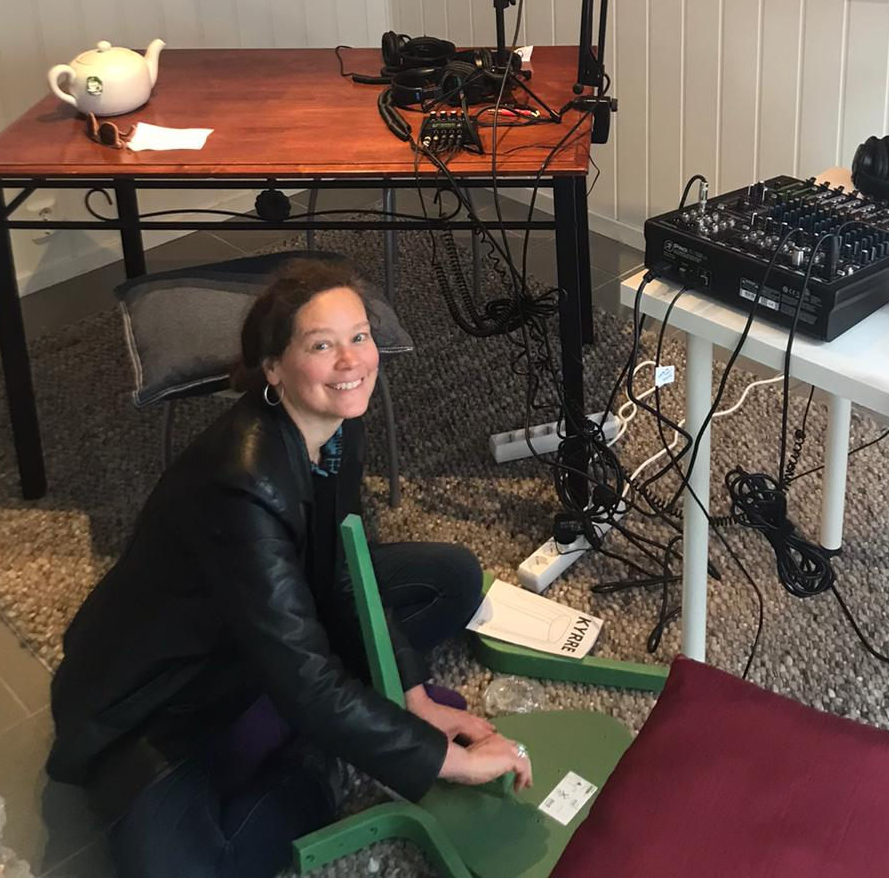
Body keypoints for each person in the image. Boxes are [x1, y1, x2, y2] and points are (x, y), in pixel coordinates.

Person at [47, 255, 531, 877]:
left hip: (269, 627)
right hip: (165, 699)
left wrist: (413, 697)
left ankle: (333, 721)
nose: (352, 361)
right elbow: (302, 675)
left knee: (453, 579)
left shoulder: (336, 421)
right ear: (273, 366)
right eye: (322, 345)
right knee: (187, 868)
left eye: (360, 336)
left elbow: (347, 569)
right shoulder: (240, 484)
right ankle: (317, 753)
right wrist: (446, 760)